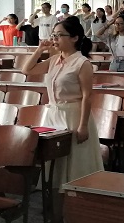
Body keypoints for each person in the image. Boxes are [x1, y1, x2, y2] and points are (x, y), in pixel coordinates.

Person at [20, 16, 103, 218]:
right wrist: (39, 50)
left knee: (74, 168)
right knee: (55, 168)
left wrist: (83, 126)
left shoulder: (82, 63)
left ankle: (76, 214)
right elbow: (26, 70)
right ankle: (56, 213)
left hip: (74, 117)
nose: (54, 39)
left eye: (59, 35)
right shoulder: (54, 60)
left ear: (74, 38)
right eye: (53, 35)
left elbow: (87, 97)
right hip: (54, 116)